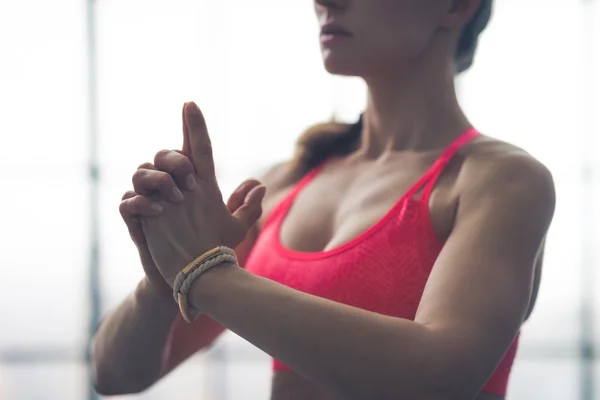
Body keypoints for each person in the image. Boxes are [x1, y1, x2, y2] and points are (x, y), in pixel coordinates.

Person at [92, 0, 555, 399]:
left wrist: (202, 275)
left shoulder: (501, 180)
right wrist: (163, 280)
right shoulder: (288, 181)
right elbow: (114, 374)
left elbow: (438, 377)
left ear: (456, 6)